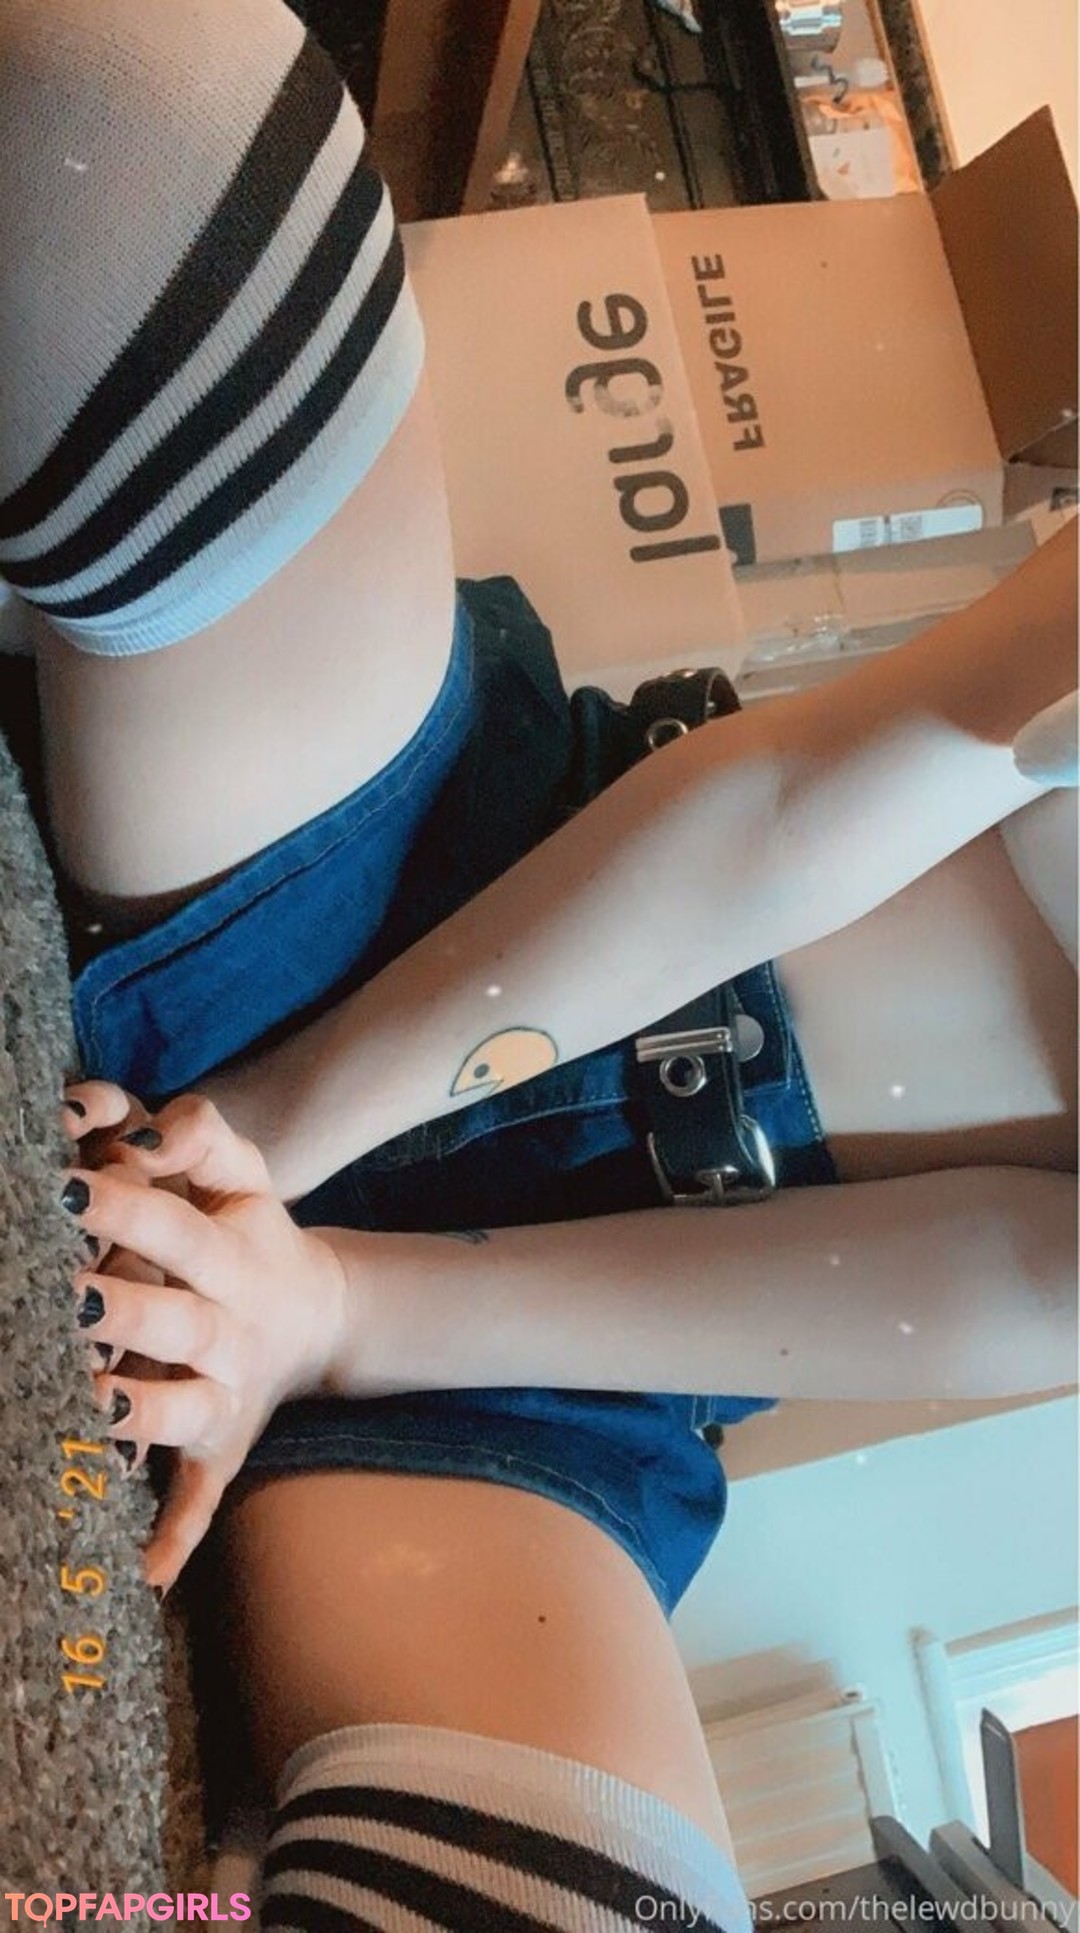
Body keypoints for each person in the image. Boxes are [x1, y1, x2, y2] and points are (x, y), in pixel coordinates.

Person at [4, 1, 1075, 1924]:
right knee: (149, 122)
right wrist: (257, 1135)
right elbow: (803, 798)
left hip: (595, 1345)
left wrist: (334, 1309)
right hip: (482, 875)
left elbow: (1021, 1279)